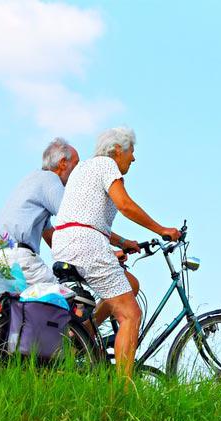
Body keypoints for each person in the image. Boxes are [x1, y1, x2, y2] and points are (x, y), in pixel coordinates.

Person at [52, 127, 180, 378]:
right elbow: (125, 205)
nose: (133, 158)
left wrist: (123, 242)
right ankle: (122, 392)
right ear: (118, 150)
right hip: (86, 244)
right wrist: (162, 229)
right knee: (130, 314)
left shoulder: (84, 169)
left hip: (67, 242)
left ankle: (84, 335)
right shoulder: (107, 165)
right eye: (132, 151)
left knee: (129, 284)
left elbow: (85, 217)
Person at [0, 138, 79, 285]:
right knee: (68, 300)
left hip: (0, 258)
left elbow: (51, 237)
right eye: (76, 164)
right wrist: (107, 252)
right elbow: (76, 218)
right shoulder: (50, 179)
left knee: (22, 306)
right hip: (20, 259)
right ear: (63, 162)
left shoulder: (32, 180)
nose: (78, 172)